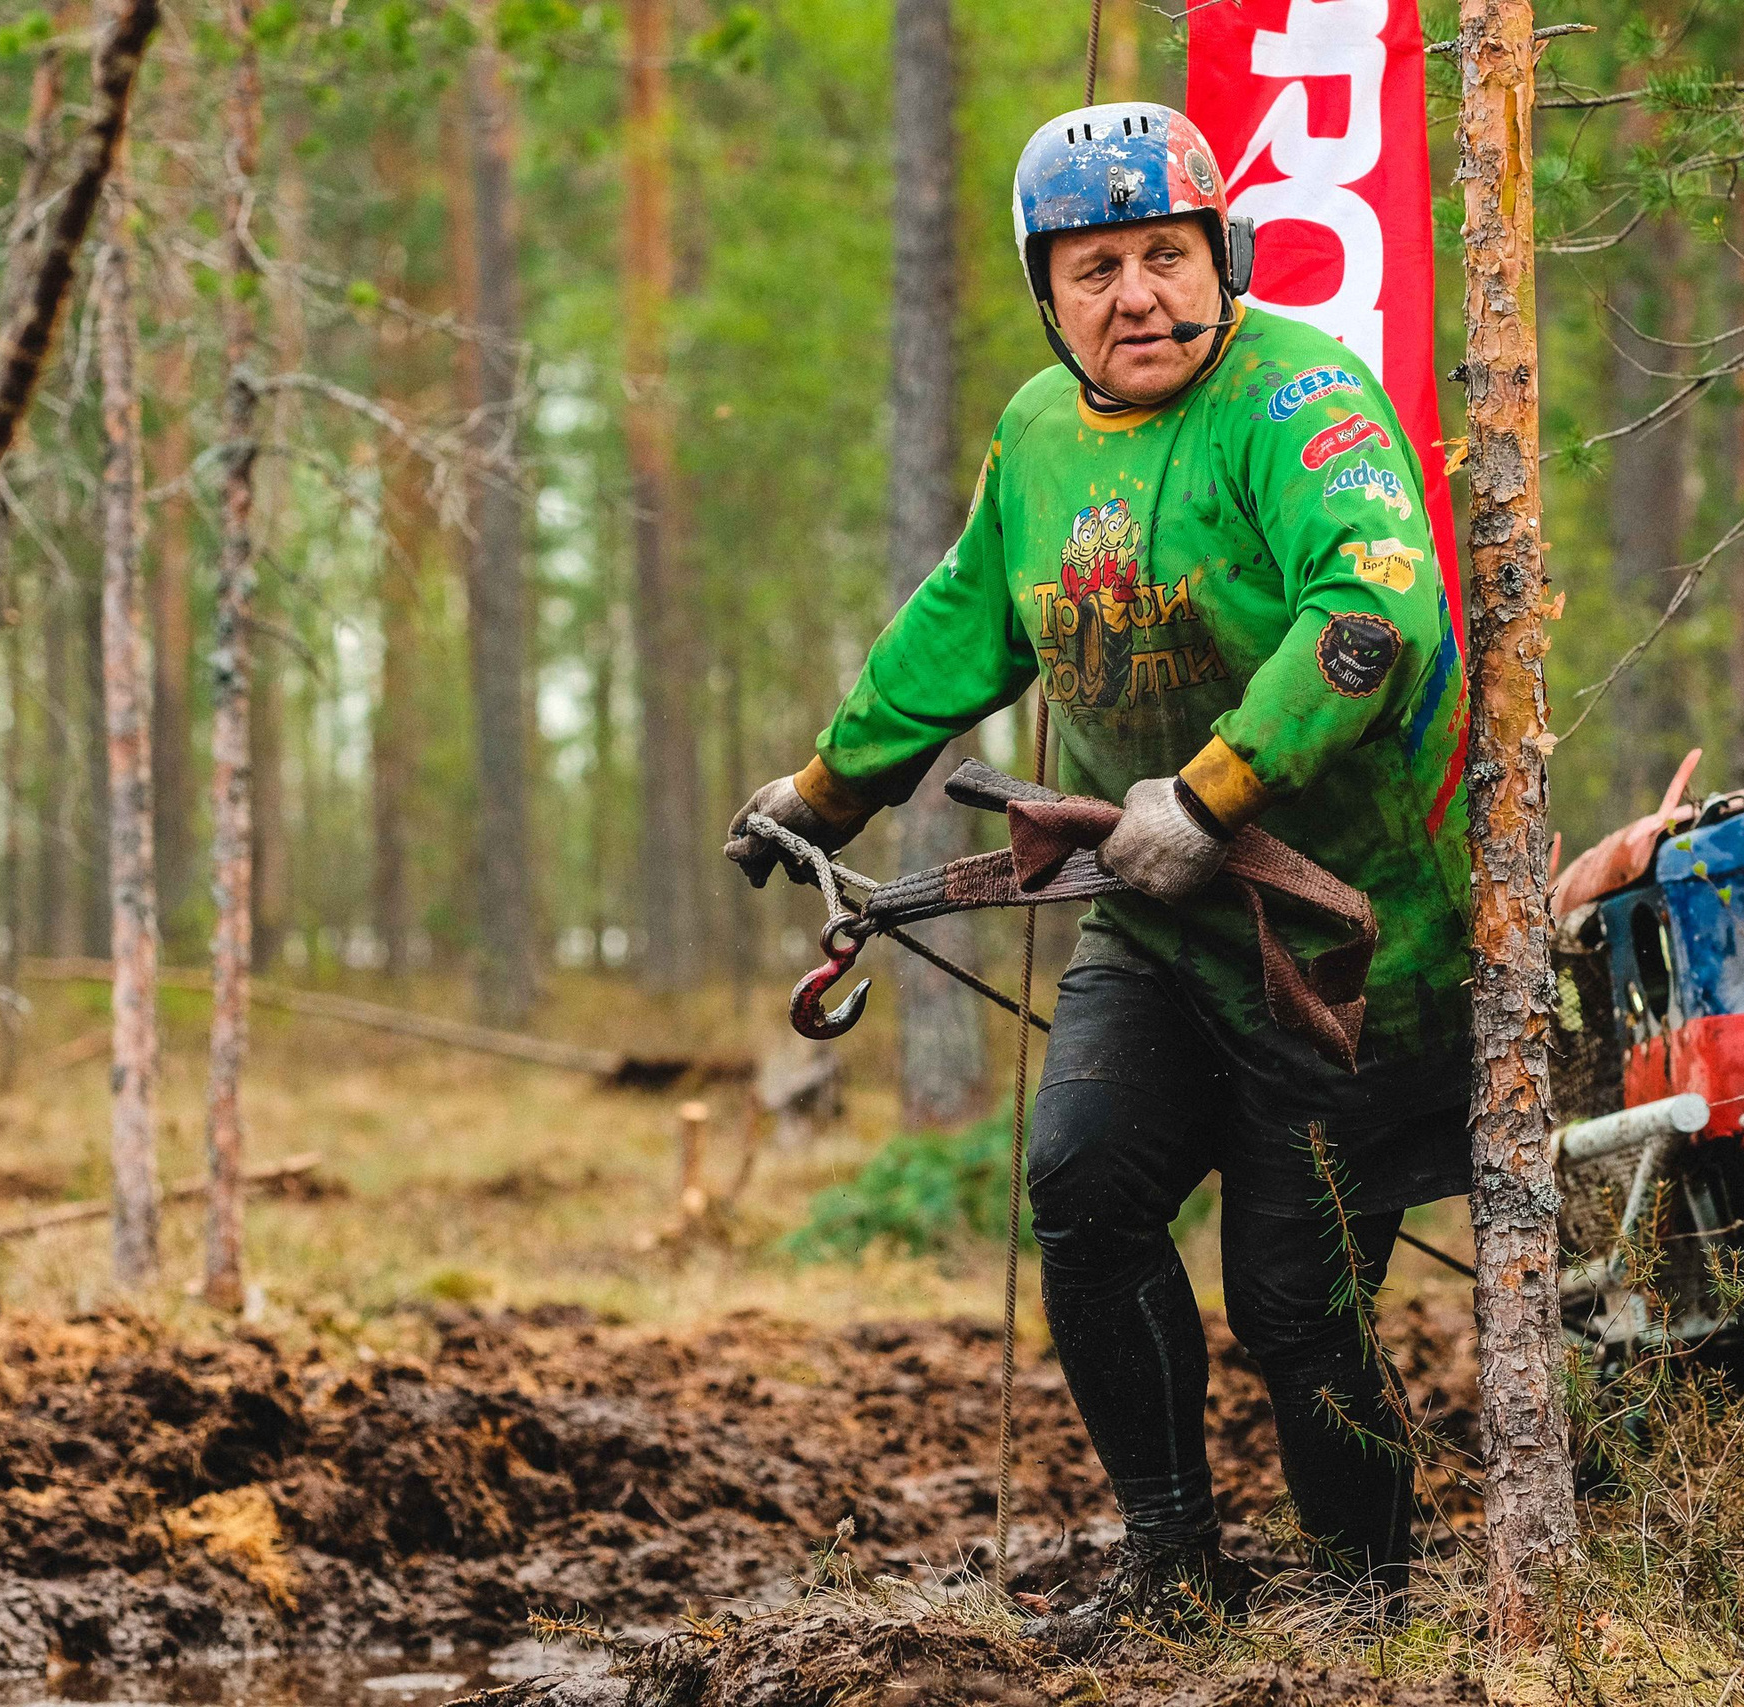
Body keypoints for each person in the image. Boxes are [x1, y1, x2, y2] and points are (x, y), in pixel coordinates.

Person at [726, 102, 1471, 1652]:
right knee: (1085, 1184)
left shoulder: (1307, 400)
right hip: (1160, 923)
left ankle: (1361, 1601)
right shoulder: (1041, 435)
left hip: (1350, 951)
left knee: (1288, 1298)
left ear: (1224, 257)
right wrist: (827, 787)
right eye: (1094, 270)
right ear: (1044, 293)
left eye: (1165, 257)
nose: (1137, 297)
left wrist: (1212, 796)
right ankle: (1176, 1563)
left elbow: (1369, 616)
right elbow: (963, 623)